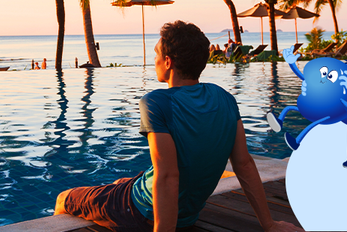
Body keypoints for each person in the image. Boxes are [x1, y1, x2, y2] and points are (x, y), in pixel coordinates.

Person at [54, 21, 301, 232]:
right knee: (122, 182)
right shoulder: (224, 97)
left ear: (169, 62)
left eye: (156, 55)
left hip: (144, 212)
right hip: (184, 212)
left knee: (64, 198)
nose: (155, 60)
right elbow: (244, 164)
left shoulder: (156, 103)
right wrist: (269, 225)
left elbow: (169, 177)